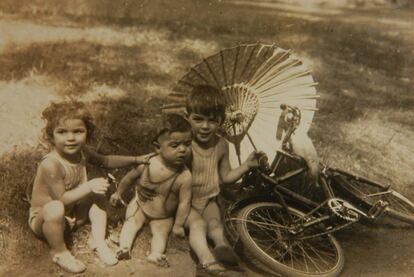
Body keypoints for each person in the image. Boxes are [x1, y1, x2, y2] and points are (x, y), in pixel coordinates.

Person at [139, 85, 263, 275]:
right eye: (198, 119)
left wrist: (246, 165)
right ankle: (207, 259)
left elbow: (226, 177)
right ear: (187, 117)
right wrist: (148, 185)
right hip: (185, 203)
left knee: (216, 225)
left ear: (221, 121)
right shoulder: (185, 146)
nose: (205, 127)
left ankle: (222, 247)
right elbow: (159, 164)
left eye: (212, 121)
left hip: (209, 198)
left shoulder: (222, 145)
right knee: (199, 226)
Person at [29, 100, 151, 273]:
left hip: (72, 214)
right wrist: (88, 186)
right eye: (62, 132)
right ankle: (59, 252)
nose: (71, 138)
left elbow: (105, 160)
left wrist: (136, 159)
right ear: (51, 136)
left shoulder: (82, 152)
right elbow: (62, 200)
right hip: (46, 221)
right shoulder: (51, 164)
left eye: (78, 131)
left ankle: (99, 242)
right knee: (55, 207)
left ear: (87, 133)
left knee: (97, 195)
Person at [110, 114, 192, 267]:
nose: (183, 150)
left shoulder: (184, 176)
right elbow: (129, 178)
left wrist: (179, 225)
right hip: (141, 205)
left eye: (187, 144)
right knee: (131, 222)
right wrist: (118, 193)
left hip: (163, 215)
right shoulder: (148, 163)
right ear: (157, 147)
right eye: (175, 145)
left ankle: (155, 254)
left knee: (160, 233)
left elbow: (184, 202)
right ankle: (124, 247)